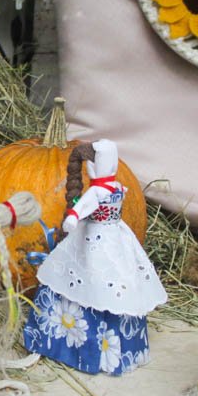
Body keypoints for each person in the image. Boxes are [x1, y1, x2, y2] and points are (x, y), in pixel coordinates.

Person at [24, 139, 167, 375]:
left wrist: (72, 218)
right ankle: (115, 348)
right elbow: (83, 207)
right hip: (113, 235)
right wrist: (74, 217)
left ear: (93, 166)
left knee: (91, 282)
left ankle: (90, 347)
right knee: (113, 281)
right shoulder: (116, 187)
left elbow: (80, 209)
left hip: (97, 238)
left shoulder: (99, 190)